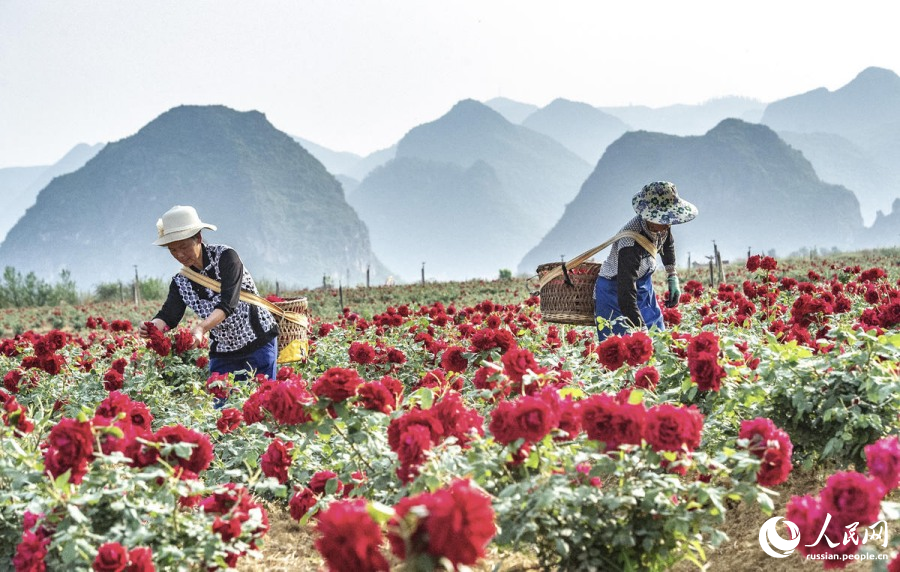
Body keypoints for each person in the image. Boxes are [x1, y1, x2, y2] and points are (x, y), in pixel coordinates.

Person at [139, 205, 280, 381]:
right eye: (173, 250)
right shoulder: (181, 281)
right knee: (221, 397)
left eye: (183, 246)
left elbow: (228, 303)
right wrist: (152, 327)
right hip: (223, 351)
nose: (180, 255)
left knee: (262, 396)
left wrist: (201, 328)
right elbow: (169, 316)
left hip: (257, 342)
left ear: (198, 238)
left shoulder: (226, 257)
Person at [594, 181, 697, 340]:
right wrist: (639, 328)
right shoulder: (630, 242)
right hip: (615, 290)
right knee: (623, 343)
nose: (668, 223)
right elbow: (626, 292)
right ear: (649, 216)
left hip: (642, 285)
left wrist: (672, 275)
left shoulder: (661, 225)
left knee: (657, 336)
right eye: (664, 219)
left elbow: (668, 244)